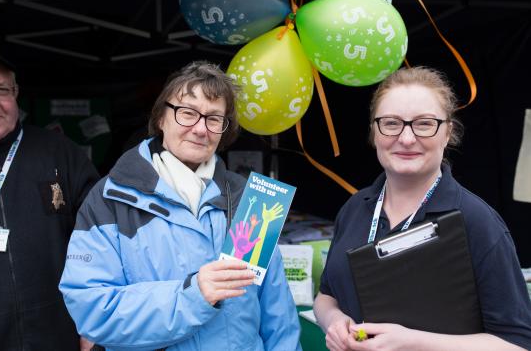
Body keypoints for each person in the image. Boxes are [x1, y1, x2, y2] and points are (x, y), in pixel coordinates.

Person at [59, 61, 302, 351]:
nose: (201, 129)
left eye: (214, 118)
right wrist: (192, 295)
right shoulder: (110, 199)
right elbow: (93, 310)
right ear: (161, 117)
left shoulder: (250, 199)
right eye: (187, 113)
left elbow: (278, 315)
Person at [313, 66, 531, 351]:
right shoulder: (356, 207)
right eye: (391, 123)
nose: (406, 138)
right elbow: (326, 297)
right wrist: (333, 320)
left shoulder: (477, 222)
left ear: (447, 132)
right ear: (374, 132)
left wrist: (414, 343)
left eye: (424, 124)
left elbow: (517, 343)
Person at [0, 41, 100, 350]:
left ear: (16, 94)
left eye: (1, 90)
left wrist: (93, 328)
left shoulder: (59, 151)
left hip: (58, 339)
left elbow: (104, 241)